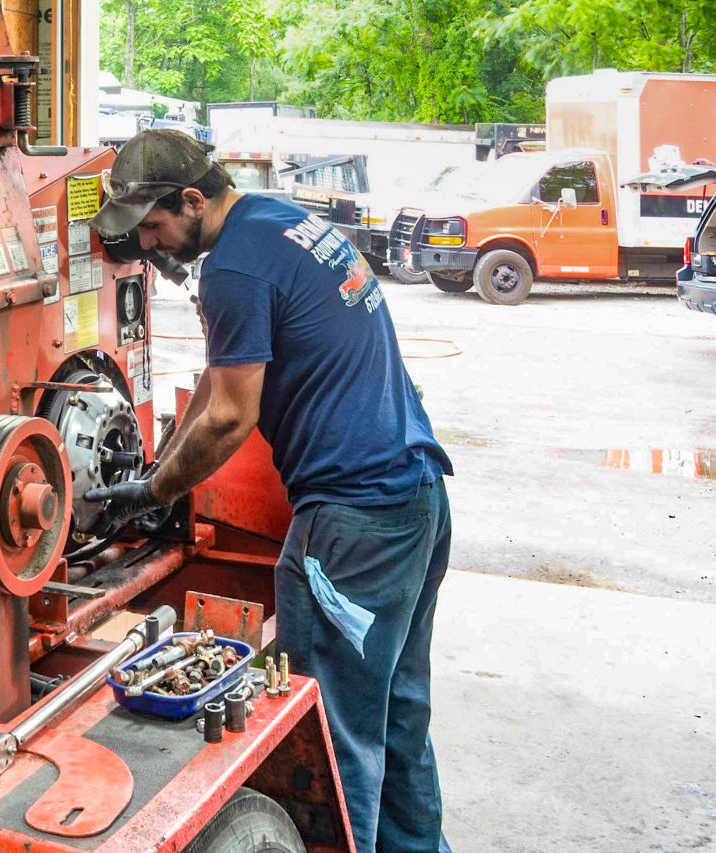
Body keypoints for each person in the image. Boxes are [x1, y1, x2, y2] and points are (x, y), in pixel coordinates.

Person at [85, 129, 455, 853]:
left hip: (352, 523)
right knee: (397, 714)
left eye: (155, 226)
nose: (152, 245)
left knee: (332, 729)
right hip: (417, 501)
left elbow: (231, 416)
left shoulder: (232, 268)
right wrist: (162, 467)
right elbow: (218, 385)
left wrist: (154, 489)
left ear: (192, 200)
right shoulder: (279, 220)